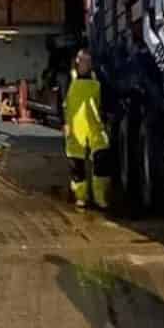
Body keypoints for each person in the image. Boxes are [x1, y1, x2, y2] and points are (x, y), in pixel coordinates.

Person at [62, 49, 110, 209]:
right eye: (83, 61)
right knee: (76, 164)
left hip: (95, 125)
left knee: (102, 158)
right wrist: (65, 123)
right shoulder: (69, 78)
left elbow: (103, 102)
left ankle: (100, 197)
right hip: (75, 126)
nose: (86, 64)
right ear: (77, 61)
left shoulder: (98, 77)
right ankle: (81, 197)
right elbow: (63, 102)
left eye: (89, 61)